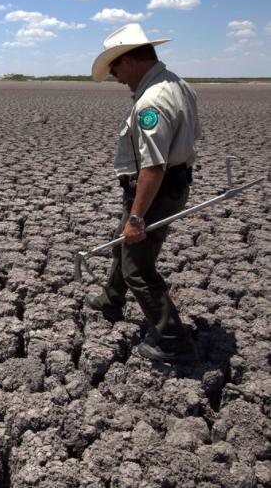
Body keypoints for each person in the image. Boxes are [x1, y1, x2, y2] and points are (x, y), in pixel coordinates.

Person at [85, 23, 202, 362]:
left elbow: (154, 166)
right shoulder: (178, 84)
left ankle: (174, 342)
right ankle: (110, 301)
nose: (117, 78)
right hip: (167, 187)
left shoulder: (151, 101)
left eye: (116, 68)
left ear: (130, 60)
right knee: (123, 244)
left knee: (138, 267)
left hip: (154, 192)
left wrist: (137, 216)